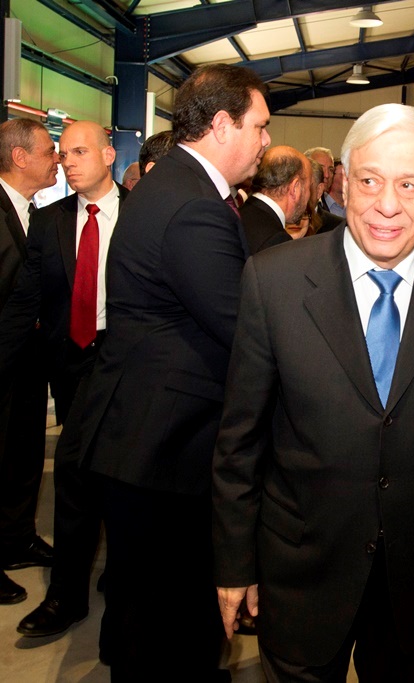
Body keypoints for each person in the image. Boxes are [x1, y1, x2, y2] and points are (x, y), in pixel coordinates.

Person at [212, 103, 414, 682]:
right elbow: (240, 439)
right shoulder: (273, 280)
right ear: (344, 182)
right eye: (371, 181)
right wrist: (234, 562)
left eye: (409, 185)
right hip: (300, 569)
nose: (387, 205)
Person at [78, 63, 270, 681]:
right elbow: (243, 329)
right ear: (223, 125)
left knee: (147, 616)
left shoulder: (175, 185)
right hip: (166, 447)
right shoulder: (193, 206)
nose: (266, 141)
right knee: (171, 626)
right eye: (260, 126)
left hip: (144, 435)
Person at [0, 121, 126, 637]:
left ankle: (108, 586)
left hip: (124, 367)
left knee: (112, 478)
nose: (67, 162)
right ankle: (69, 595)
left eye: (79, 152)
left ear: (109, 155)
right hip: (70, 367)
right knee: (77, 477)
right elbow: (25, 301)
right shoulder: (49, 221)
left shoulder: (141, 215)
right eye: (63, 153)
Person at [0, 118, 58, 605]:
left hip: (27, 364)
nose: (57, 159)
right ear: (20, 158)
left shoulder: (34, 212)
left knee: (22, 456)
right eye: (49, 151)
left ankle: (16, 539)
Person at [240, 145, 311, 254]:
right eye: (308, 187)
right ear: (295, 188)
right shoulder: (275, 240)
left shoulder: (242, 213)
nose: (309, 195)